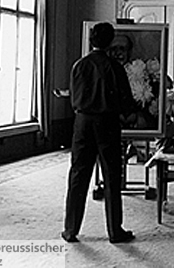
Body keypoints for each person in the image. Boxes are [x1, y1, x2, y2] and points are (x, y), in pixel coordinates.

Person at [62, 22, 135, 244]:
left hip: (82, 123)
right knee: (112, 176)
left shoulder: (79, 65)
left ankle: (70, 230)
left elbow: (74, 98)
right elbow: (126, 101)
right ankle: (115, 231)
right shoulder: (115, 67)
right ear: (110, 41)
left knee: (78, 174)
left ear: (92, 40)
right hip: (108, 123)